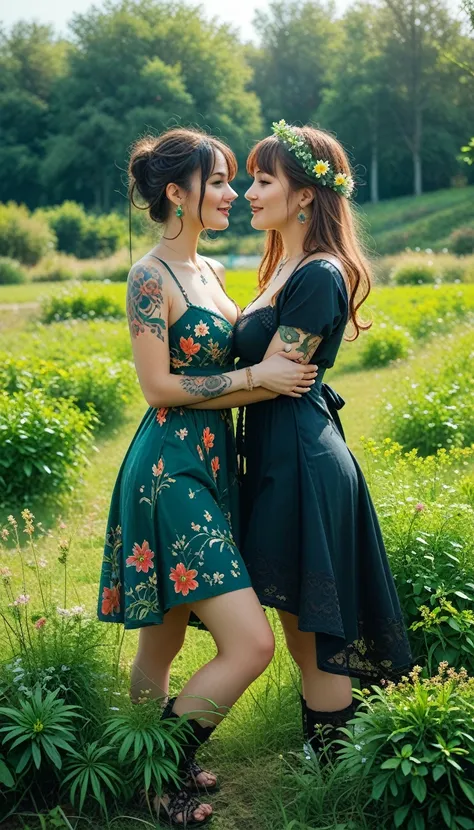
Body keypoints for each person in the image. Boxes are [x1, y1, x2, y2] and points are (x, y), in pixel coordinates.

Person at [96, 126, 317, 826]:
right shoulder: (148, 277)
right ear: (175, 192)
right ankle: (158, 773)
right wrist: (260, 374)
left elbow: (260, 371)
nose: (231, 193)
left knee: (159, 642)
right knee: (249, 644)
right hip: (168, 473)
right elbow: (158, 388)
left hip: (215, 467)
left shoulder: (215, 272)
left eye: (230, 182)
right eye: (218, 181)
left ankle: (152, 769)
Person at [195, 120, 412, 761]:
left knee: (312, 630)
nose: (248, 193)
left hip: (302, 456)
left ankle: (333, 762)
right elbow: (264, 374)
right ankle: (332, 760)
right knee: (302, 631)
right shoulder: (281, 265)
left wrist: (183, 392)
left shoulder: (319, 273)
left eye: (264, 180)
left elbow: (277, 381)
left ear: (307, 194)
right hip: (277, 452)